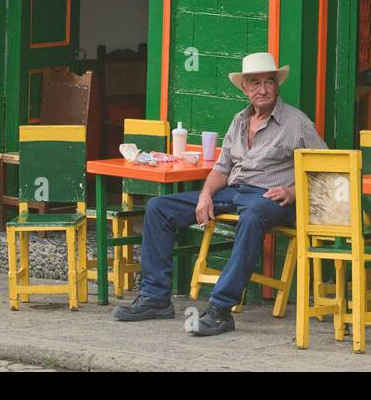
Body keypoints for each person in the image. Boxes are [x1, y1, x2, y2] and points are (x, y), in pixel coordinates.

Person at [114, 52, 326, 336]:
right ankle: (155, 298)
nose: (262, 89)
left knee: (251, 218)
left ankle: (220, 310)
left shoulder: (296, 122)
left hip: (270, 197)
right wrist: (205, 195)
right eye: (255, 83)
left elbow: (325, 168)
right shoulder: (240, 119)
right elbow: (221, 167)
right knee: (158, 207)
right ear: (244, 88)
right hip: (233, 191)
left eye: (269, 82)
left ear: (277, 85)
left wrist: (293, 191)